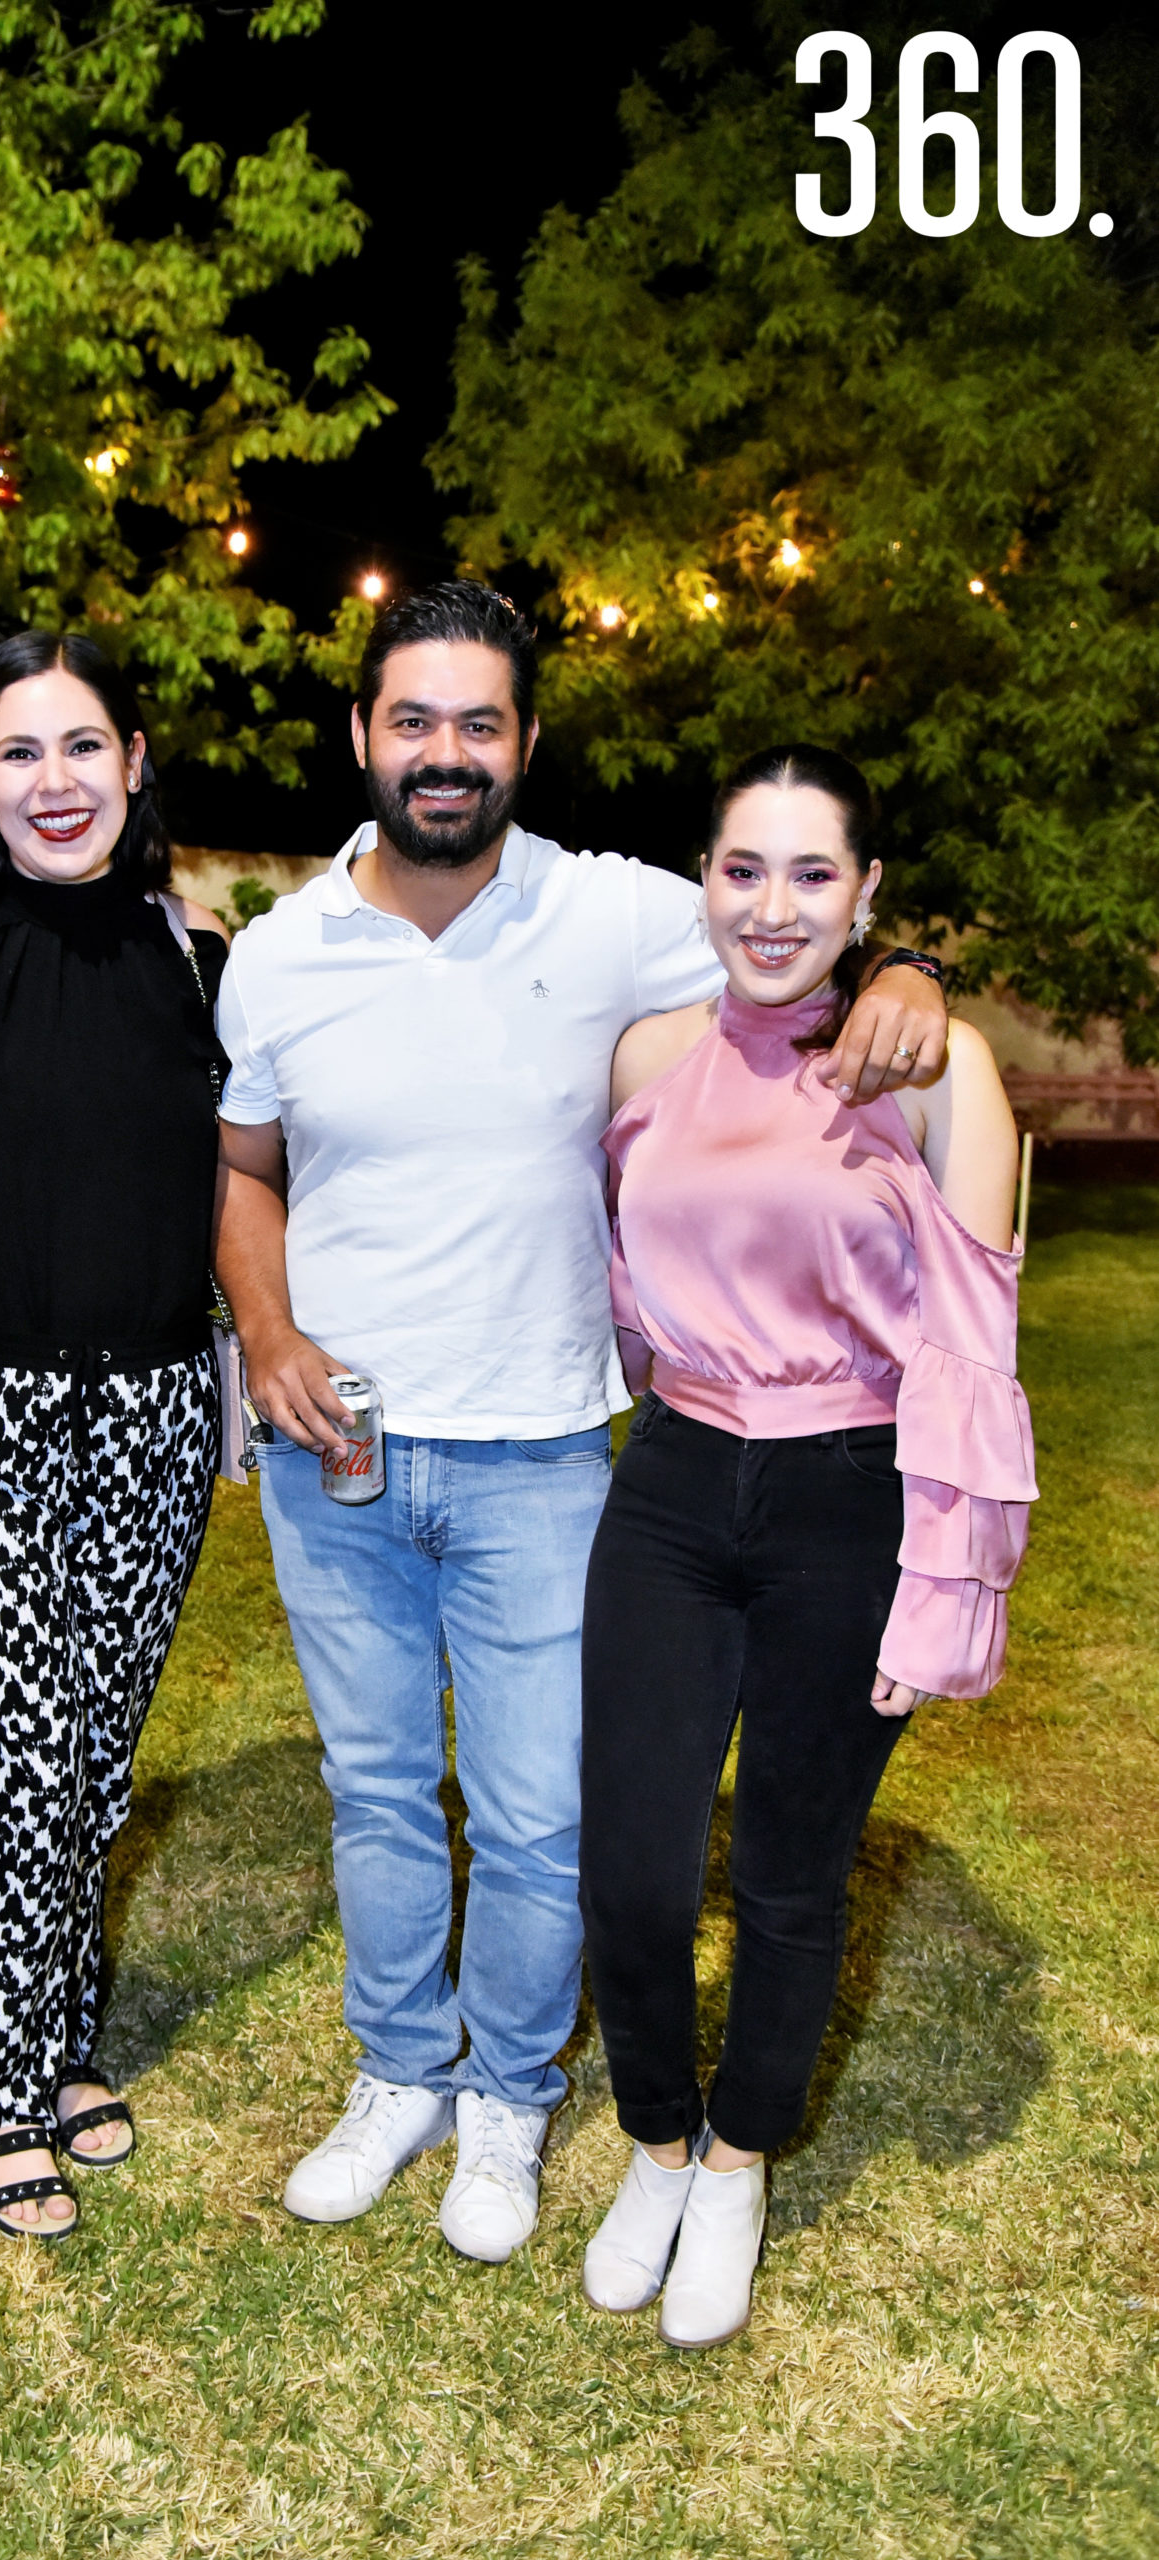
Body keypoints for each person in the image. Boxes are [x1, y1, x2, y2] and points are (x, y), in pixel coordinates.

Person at [212, 579, 950, 2265]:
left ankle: (509, 2098)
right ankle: (400, 2067)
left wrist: (913, 960)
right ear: (362, 738)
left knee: (545, 1813)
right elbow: (242, 1170)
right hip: (334, 1454)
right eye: (414, 719)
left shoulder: (616, 911)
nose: (446, 752)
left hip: (545, 1449)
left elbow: (800, 920)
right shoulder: (272, 953)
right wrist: (262, 1326)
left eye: (481, 722)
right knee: (382, 1789)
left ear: (525, 743)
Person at [576, 744, 1033, 2350]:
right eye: (742, 870)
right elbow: (625, 1287)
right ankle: (652, 2140)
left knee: (787, 1871)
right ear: (701, 878)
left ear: (866, 896)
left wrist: (944, 1588)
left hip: (853, 1494)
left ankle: (740, 2159)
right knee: (628, 1869)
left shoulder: (934, 1068)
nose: (772, 910)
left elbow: (975, 1349)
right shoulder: (641, 1055)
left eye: (812, 876)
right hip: (676, 1484)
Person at [0, 632, 229, 2241]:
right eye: (19, 752)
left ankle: (65, 2030)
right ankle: (7, 2086)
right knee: (18, 1753)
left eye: (82, 746)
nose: (55, 781)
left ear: (134, 760)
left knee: (88, 1758)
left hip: (155, 1405)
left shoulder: (198, 949)